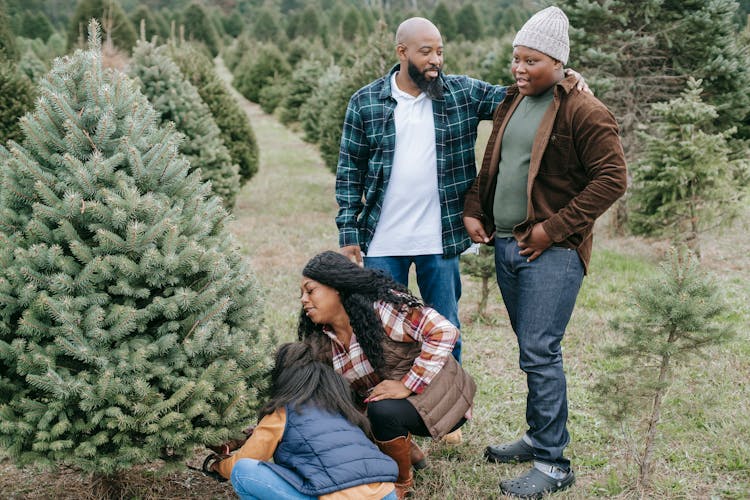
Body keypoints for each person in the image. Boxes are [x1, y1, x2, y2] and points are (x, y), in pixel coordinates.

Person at [335, 17, 586, 365]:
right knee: (384, 330)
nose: (436, 59)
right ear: (401, 52)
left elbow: (520, 95)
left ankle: (448, 412)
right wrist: (348, 234)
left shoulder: (462, 93)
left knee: (445, 329)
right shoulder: (366, 102)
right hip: (381, 241)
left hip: (440, 239)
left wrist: (566, 77)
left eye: (440, 51)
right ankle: (393, 411)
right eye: (426, 52)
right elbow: (349, 172)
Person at [463, 6, 628, 498]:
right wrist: (476, 207)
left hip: (549, 253)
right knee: (530, 351)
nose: (519, 68)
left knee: (540, 351)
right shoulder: (513, 99)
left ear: (558, 62)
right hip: (509, 244)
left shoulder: (584, 109)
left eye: (531, 60)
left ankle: (554, 462)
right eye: (516, 58)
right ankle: (537, 437)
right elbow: (496, 161)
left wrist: (551, 231)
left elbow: (613, 180)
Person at [298, 250, 476, 499]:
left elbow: (444, 332)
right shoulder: (325, 340)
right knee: (339, 409)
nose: (304, 300)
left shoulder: (384, 309)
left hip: (443, 400)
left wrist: (407, 384)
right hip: (397, 408)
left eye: (310, 290)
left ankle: (402, 482)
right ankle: (408, 451)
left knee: (382, 410)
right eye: (302, 294)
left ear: (336, 287)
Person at [205, 342, 399, 500]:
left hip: (338, 496)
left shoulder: (283, 412)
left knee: (242, 471)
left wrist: (218, 466)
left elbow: (246, 459)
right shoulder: (340, 407)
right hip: (386, 493)